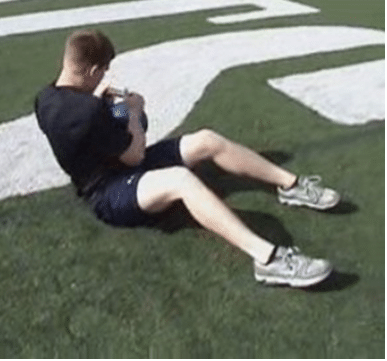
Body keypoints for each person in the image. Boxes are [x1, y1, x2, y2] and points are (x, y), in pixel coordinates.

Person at [34, 29, 340, 288]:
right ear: (91, 71)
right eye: (103, 70)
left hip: (114, 164)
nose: (106, 76)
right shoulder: (86, 112)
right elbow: (134, 153)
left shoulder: (46, 98)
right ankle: (268, 259)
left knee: (206, 140)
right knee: (182, 181)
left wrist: (106, 102)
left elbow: (92, 133)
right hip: (109, 192)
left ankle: (291, 185)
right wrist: (134, 112)